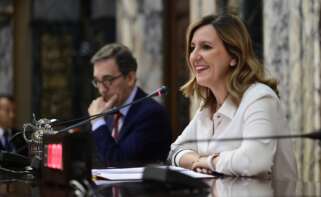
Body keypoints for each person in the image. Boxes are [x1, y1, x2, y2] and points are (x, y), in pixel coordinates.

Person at [168, 14, 297, 180]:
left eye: (206, 47)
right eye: (192, 47)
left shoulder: (259, 98)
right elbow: (175, 150)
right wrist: (197, 161)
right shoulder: (208, 106)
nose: (194, 56)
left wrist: (210, 162)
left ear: (234, 57)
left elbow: (255, 160)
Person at [88, 43, 172, 166]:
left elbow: (120, 163)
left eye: (108, 80)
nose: (102, 89)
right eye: (97, 81)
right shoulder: (108, 112)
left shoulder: (151, 114)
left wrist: (97, 122)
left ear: (130, 78)